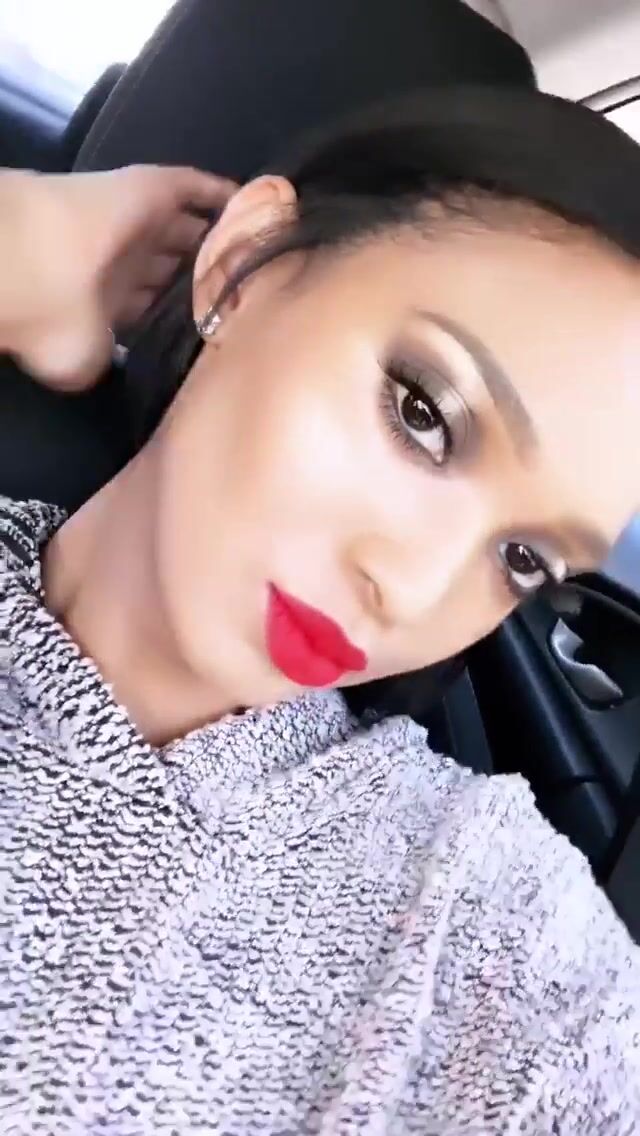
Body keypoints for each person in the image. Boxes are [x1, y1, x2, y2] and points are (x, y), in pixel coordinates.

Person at [1, 86, 640, 1133]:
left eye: (521, 559)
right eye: (425, 414)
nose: (413, 588)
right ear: (244, 264)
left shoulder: (483, 913)